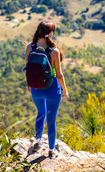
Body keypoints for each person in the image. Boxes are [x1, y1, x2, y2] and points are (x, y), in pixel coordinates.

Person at [25, 21, 68, 159]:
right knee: (51, 120)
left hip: (35, 89)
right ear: (49, 34)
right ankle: (50, 150)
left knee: (40, 113)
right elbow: (59, 74)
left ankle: (37, 142)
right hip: (52, 89)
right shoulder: (53, 51)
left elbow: (28, 69)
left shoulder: (30, 47)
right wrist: (64, 90)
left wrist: (31, 86)